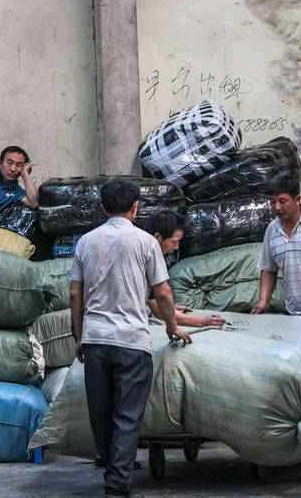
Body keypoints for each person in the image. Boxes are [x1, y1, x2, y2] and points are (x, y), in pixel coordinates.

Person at [69, 178, 191, 498]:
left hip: (95, 339)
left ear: (102, 207)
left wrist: (80, 336)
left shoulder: (85, 241)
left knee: (102, 413)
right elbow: (162, 293)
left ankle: (112, 471)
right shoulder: (145, 242)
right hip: (131, 341)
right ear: (136, 207)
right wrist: (171, 327)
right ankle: (118, 485)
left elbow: (74, 293)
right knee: (126, 415)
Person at [251, 175, 301, 320]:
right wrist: (263, 301)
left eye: (282, 201)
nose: (277, 207)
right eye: (272, 202)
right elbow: (269, 268)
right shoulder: (272, 230)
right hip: (293, 313)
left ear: (297, 199)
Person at [141, 209, 226, 328]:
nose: (176, 247)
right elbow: (161, 303)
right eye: (174, 242)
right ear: (157, 237)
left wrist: (168, 309)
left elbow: (155, 302)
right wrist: (201, 322)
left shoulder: (142, 250)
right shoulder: (147, 258)